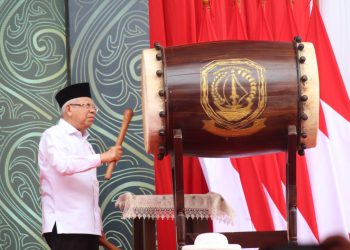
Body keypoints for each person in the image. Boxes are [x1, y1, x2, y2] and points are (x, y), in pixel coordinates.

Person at [38, 82, 122, 250]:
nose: (92, 110)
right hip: (66, 226)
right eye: (87, 106)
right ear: (69, 109)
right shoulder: (53, 135)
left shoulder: (86, 143)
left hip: (87, 229)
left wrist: (96, 225)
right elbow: (64, 165)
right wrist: (103, 157)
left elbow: (89, 188)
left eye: (93, 107)